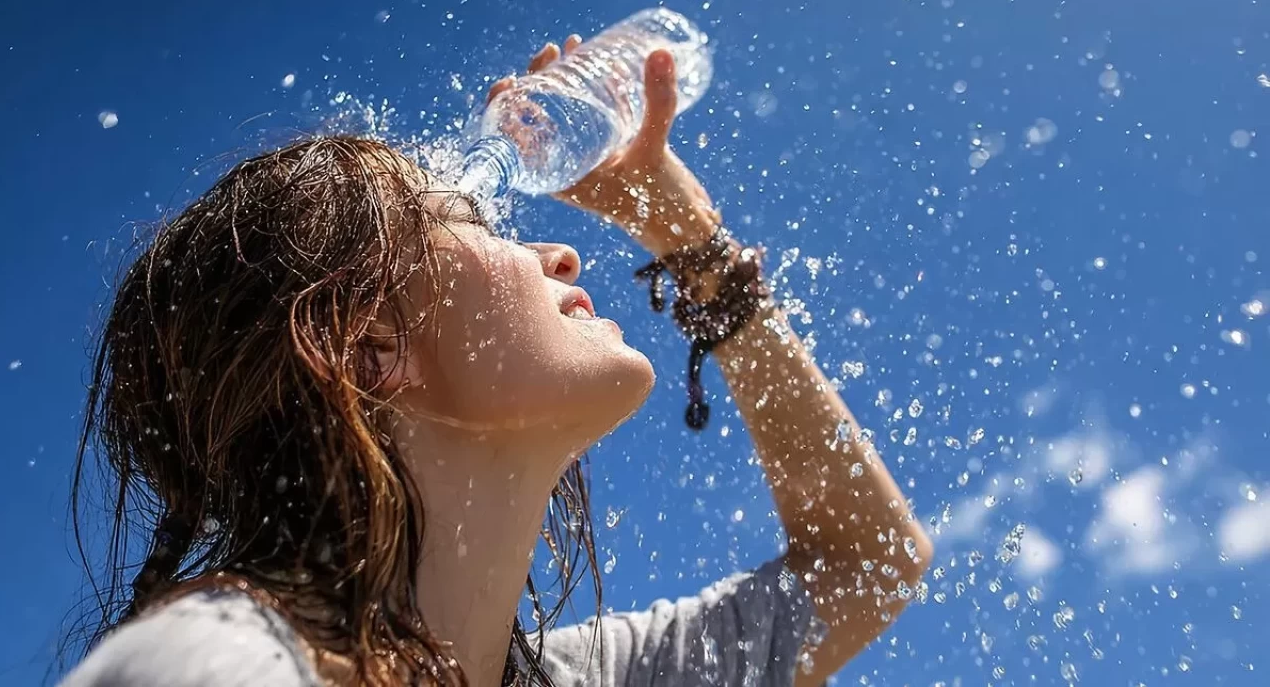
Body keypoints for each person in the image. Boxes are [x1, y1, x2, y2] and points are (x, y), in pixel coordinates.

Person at [60, 35, 932, 687]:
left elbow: (866, 563)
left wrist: (694, 247)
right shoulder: (214, 666)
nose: (563, 255)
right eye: (470, 222)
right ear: (367, 347)